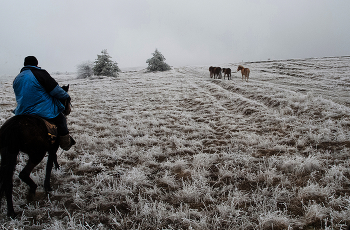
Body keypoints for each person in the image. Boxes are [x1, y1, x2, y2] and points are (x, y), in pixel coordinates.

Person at [13, 56, 75, 150]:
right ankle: (65, 144)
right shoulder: (40, 73)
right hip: (42, 109)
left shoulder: (17, 78)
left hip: (22, 110)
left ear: (25, 64)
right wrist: (66, 96)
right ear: (36, 64)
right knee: (61, 119)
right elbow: (55, 90)